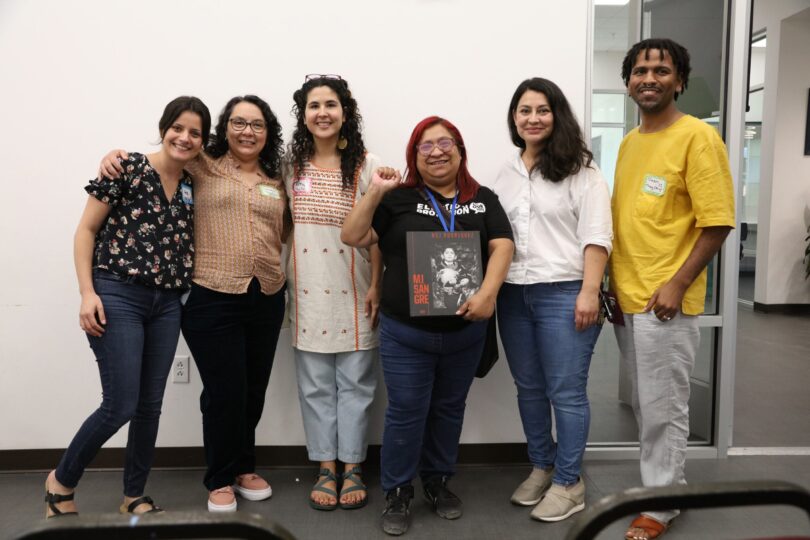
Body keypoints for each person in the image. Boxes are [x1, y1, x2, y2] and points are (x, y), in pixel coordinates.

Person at [98, 95, 288, 513]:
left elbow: (289, 232)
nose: (247, 131)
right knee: (225, 390)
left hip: (268, 295)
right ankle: (219, 477)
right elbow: (167, 152)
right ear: (225, 128)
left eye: (257, 125)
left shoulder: (277, 180)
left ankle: (243, 467)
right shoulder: (202, 165)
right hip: (211, 296)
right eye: (239, 122)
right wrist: (116, 157)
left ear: (267, 132)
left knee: (253, 389)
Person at [341, 116, 515, 536]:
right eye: (425, 146)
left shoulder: (482, 199)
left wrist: (490, 293)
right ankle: (398, 490)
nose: (436, 152)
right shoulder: (398, 199)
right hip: (407, 333)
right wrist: (376, 192)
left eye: (445, 143)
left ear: (460, 151)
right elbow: (352, 234)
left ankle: (437, 481)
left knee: (449, 409)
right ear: (413, 155)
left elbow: (503, 245)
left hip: (465, 332)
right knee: (406, 412)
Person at [45, 96, 210, 517]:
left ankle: (133, 494)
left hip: (168, 303)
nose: (185, 137)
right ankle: (60, 481)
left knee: (149, 405)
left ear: (203, 141)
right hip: (118, 294)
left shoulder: (193, 184)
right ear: (164, 127)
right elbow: (85, 231)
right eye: (178, 127)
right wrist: (87, 293)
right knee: (119, 403)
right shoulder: (128, 167)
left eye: (195, 132)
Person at [610, 39, 734, 540]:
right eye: (640, 71)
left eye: (662, 70)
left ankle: (662, 504)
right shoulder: (628, 143)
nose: (649, 78)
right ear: (628, 83)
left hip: (665, 301)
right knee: (646, 402)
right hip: (627, 297)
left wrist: (677, 283)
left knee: (665, 406)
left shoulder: (698, 138)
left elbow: (719, 221)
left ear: (679, 81)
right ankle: (665, 485)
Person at [492, 77, 613, 522]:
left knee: (566, 391)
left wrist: (588, 292)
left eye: (542, 110)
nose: (533, 118)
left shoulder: (582, 170)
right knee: (529, 389)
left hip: (565, 292)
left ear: (557, 114)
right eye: (524, 110)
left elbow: (598, 237)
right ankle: (542, 466)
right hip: (513, 294)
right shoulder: (506, 170)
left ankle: (569, 482)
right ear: (514, 118)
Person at [284, 74, 384, 511]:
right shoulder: (289, 166)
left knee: (357, 384)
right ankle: (326, 467)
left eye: (330, 105)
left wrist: (378, 286)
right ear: (303, 115)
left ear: (346, 113)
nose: (322, 113)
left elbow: (379, 236)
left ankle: (354, 465)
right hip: (305, 291)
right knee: (314, 386)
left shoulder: (367, 166)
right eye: (313, 106)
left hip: (355, 290)